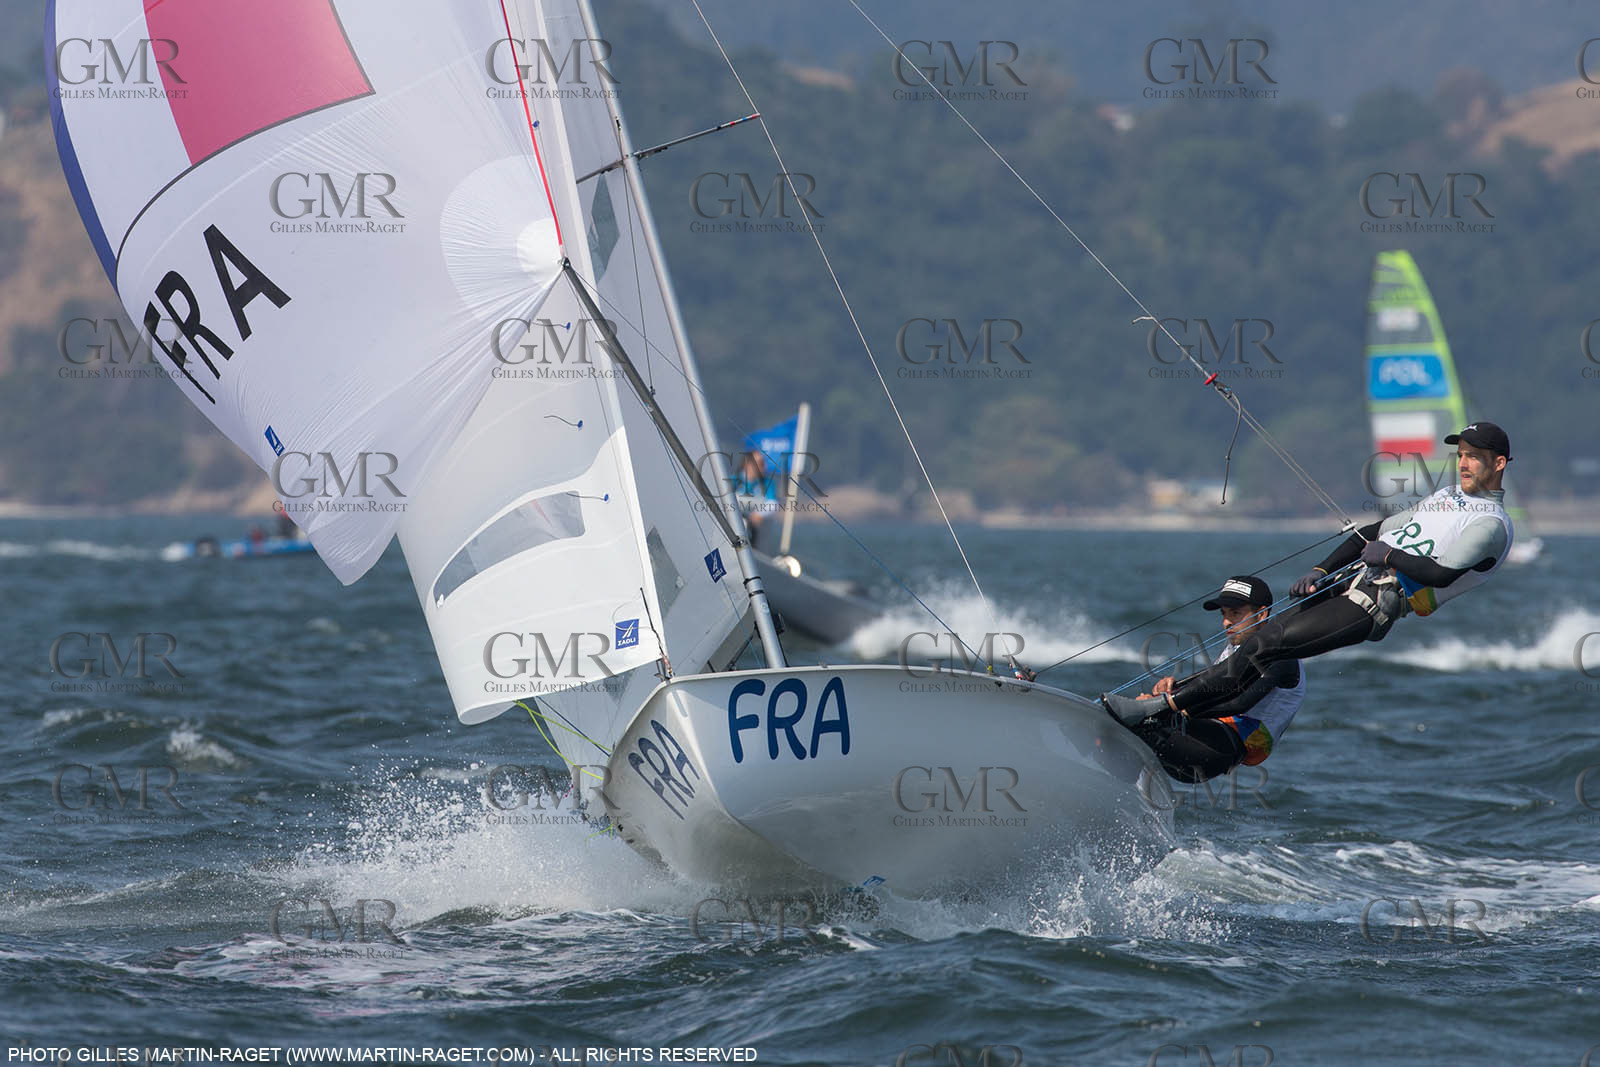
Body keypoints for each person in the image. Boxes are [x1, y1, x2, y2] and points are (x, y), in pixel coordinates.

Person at [1103, 422, 1514, 725]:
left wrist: (1388, 557)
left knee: (1267, 644)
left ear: (1497, 464)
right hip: (1347, 583)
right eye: (1459, 454)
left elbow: (1440, 573)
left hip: (1373, 606)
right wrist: (1321, 569)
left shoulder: (1491, 524)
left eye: (1473, 456)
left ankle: (1160, 710)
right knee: (1255, 644)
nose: (1463, 462)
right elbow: (1370, 534)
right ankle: (1166, 704)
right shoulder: (1445, 498)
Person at [1126, 575, 1305, 782]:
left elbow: (1239, 702)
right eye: (1224, 614)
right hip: (1202, 741)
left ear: (1261, 614)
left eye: (1236, 613)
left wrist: (1169, 708)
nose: (1226, 622)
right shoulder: (1237, 648)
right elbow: (1213, 685)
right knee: (1136, 719)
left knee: (1140, 720)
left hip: (1221, 749)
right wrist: (1174, 690)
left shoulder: (1280, 654)